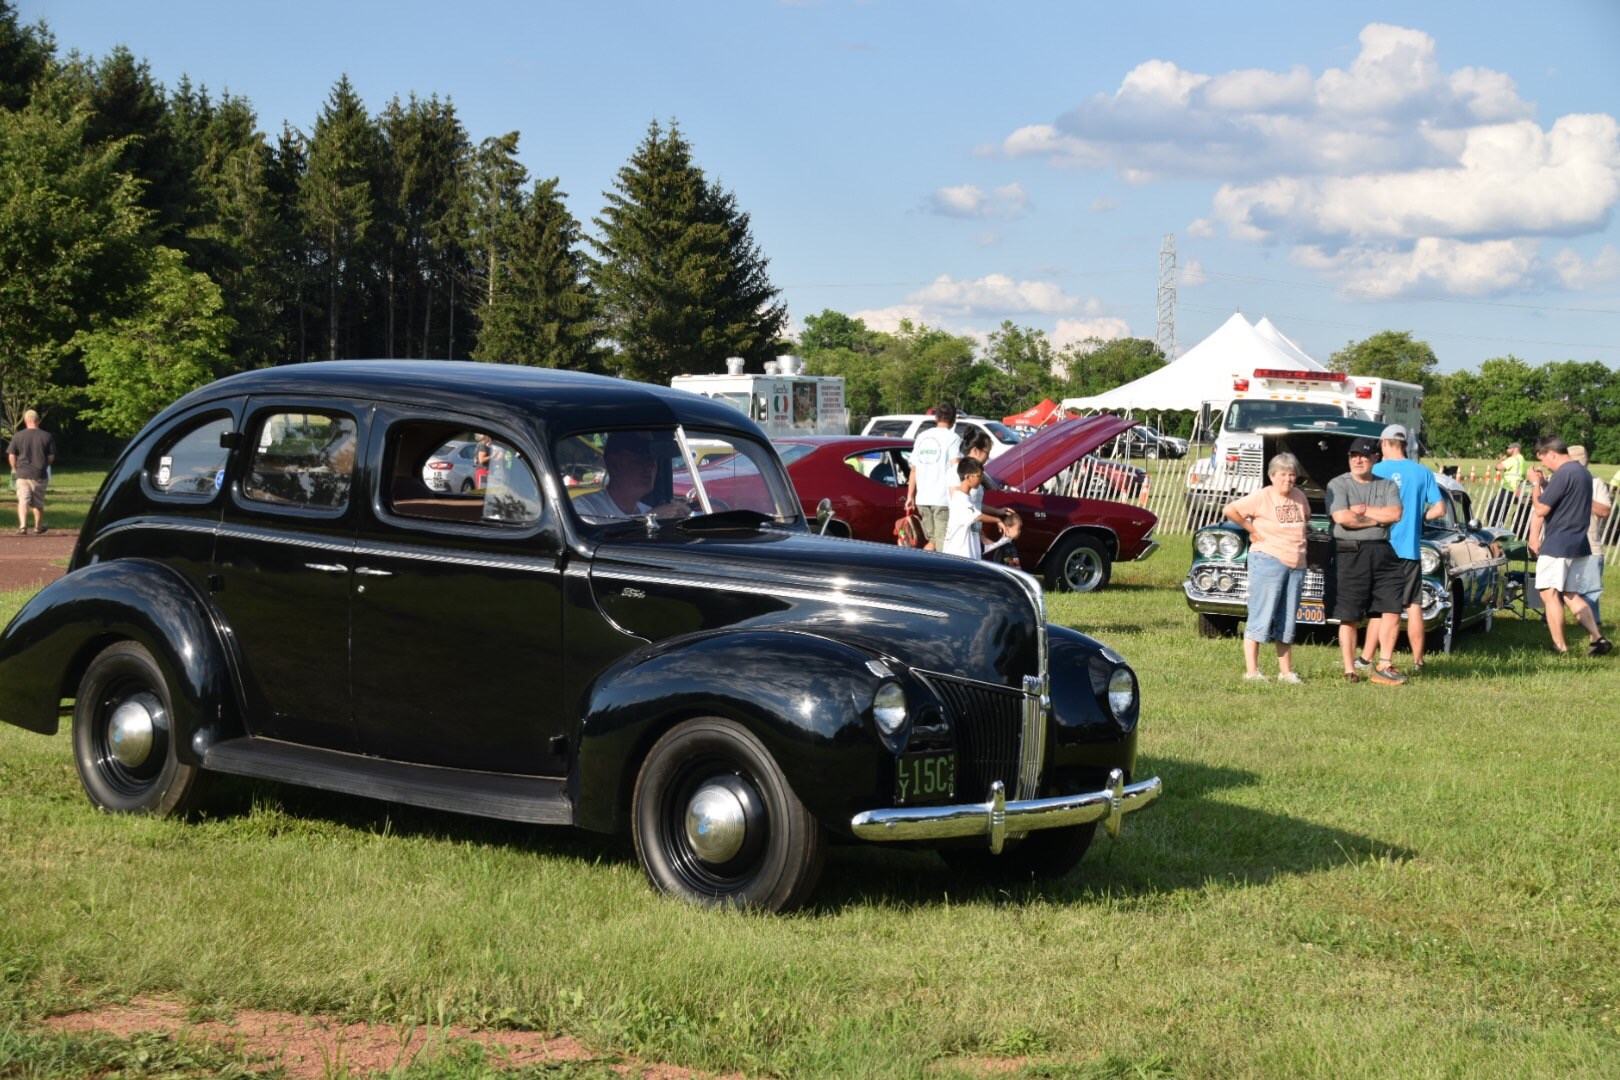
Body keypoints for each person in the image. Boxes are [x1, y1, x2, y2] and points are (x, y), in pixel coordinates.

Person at [1357, 425, 1445, 673]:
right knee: (1413, 606)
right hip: (1408, 548)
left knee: (1379, 606)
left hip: (1379, 546)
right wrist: (1420, 517)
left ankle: (1367, 658)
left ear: (1384, 443)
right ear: (1405, 445)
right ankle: (1418, 661)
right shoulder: (1422, 472)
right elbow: (1440, 509)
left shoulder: (1375, 471)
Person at [1223, 452, 1310, 683]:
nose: (1288, 480)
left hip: (1297, 563)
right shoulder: (1262, 496)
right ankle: (1252, 672)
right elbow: (1230, 510)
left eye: (1292, 475)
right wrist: (1253, 531)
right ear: (1272, 476)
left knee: (1288, 618)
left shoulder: (1300, 496)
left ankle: (1286, 672)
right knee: (1261, 613)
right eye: (1283, 475)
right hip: (1269, 559)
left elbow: (1306, 519)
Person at [1327, 436, 1406, 684]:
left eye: (1363, 455)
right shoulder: (1338, 484)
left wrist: (1362, 510)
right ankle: (1350, 668)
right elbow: (1342, 518)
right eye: (1353, 455)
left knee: (1392, 607)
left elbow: (1395, 513)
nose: (1358, 460)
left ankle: (1385, 664)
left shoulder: (1387, 485)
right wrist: (1377, 518)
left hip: (1383, 550)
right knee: (1350, 614)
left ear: (1375, 458)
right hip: (1349, 551)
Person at [1527, 435, 1609, 656]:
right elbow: (1567, 498)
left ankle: (1560, 646)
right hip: (1579, 542)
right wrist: (1546, 483)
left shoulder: (1563, 473)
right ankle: (1596, 637)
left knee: (1548, 593)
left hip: (1558, 543)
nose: (1544, 464)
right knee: (1570, 593)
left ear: (1551, 453)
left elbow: (1541, 509)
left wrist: (1535, 484)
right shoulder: (1582, 472)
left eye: (1543, 459)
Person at [570, 431, 689, 522]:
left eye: (653, 459)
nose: (651, 466)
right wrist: (648, 520)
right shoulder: (583, 508)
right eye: (641, 458)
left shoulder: (647, 510)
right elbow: (593, 548)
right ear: (614, 464)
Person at [904, 404, 962, 550]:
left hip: (922, 499)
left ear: (936, 418)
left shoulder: (922, 437)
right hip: (943, 499)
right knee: (943, 546)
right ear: (954, 419)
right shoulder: (953, 438)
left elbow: (913, 469)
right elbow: (956, 466)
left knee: (934, 541)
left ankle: (920, 569)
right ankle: (936, 571)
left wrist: (910, 496)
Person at [1567, 446, 1611, 628]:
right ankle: (1550, 620)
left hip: (1590, 545)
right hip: (1564, 544)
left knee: (1590, 590)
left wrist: (1582, 496)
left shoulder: (1596, 483)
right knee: (1557, 587)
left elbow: (1605, 510)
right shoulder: (1560, 480)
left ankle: (1593, 624)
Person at [943, 457, 1005, 559]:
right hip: (958, 556)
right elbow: (978, 516)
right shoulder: (960, 499)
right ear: (968, 477)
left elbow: (972, 524)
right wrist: (997, 520)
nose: (981, 480)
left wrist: (984, 539)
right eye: (979, 476)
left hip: (969, 556)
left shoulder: (968, 498)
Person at [7, 409, 55, 536]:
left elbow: (12, 456)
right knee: (38, 502)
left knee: (23, 499)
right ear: (38, 421)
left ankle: (22, 526)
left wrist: (14, 469)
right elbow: (51, 457)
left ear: (25, 421)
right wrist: (44, 465)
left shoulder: (18, 436)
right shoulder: (46, 436)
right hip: (39, 473)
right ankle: (38, 526)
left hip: (22, 473)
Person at [1490, 442, 1526, 527]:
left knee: (1495, 509)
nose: (1507, 450)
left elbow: (1498, 467)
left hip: (1508, 488)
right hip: (1516, 488)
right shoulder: (1523, 460)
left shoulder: (1513, 459)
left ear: (1516, 449)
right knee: (1504, 510)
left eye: (1510, 448)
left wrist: (1502, 459)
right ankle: (1499, 527)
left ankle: (1494, 528)